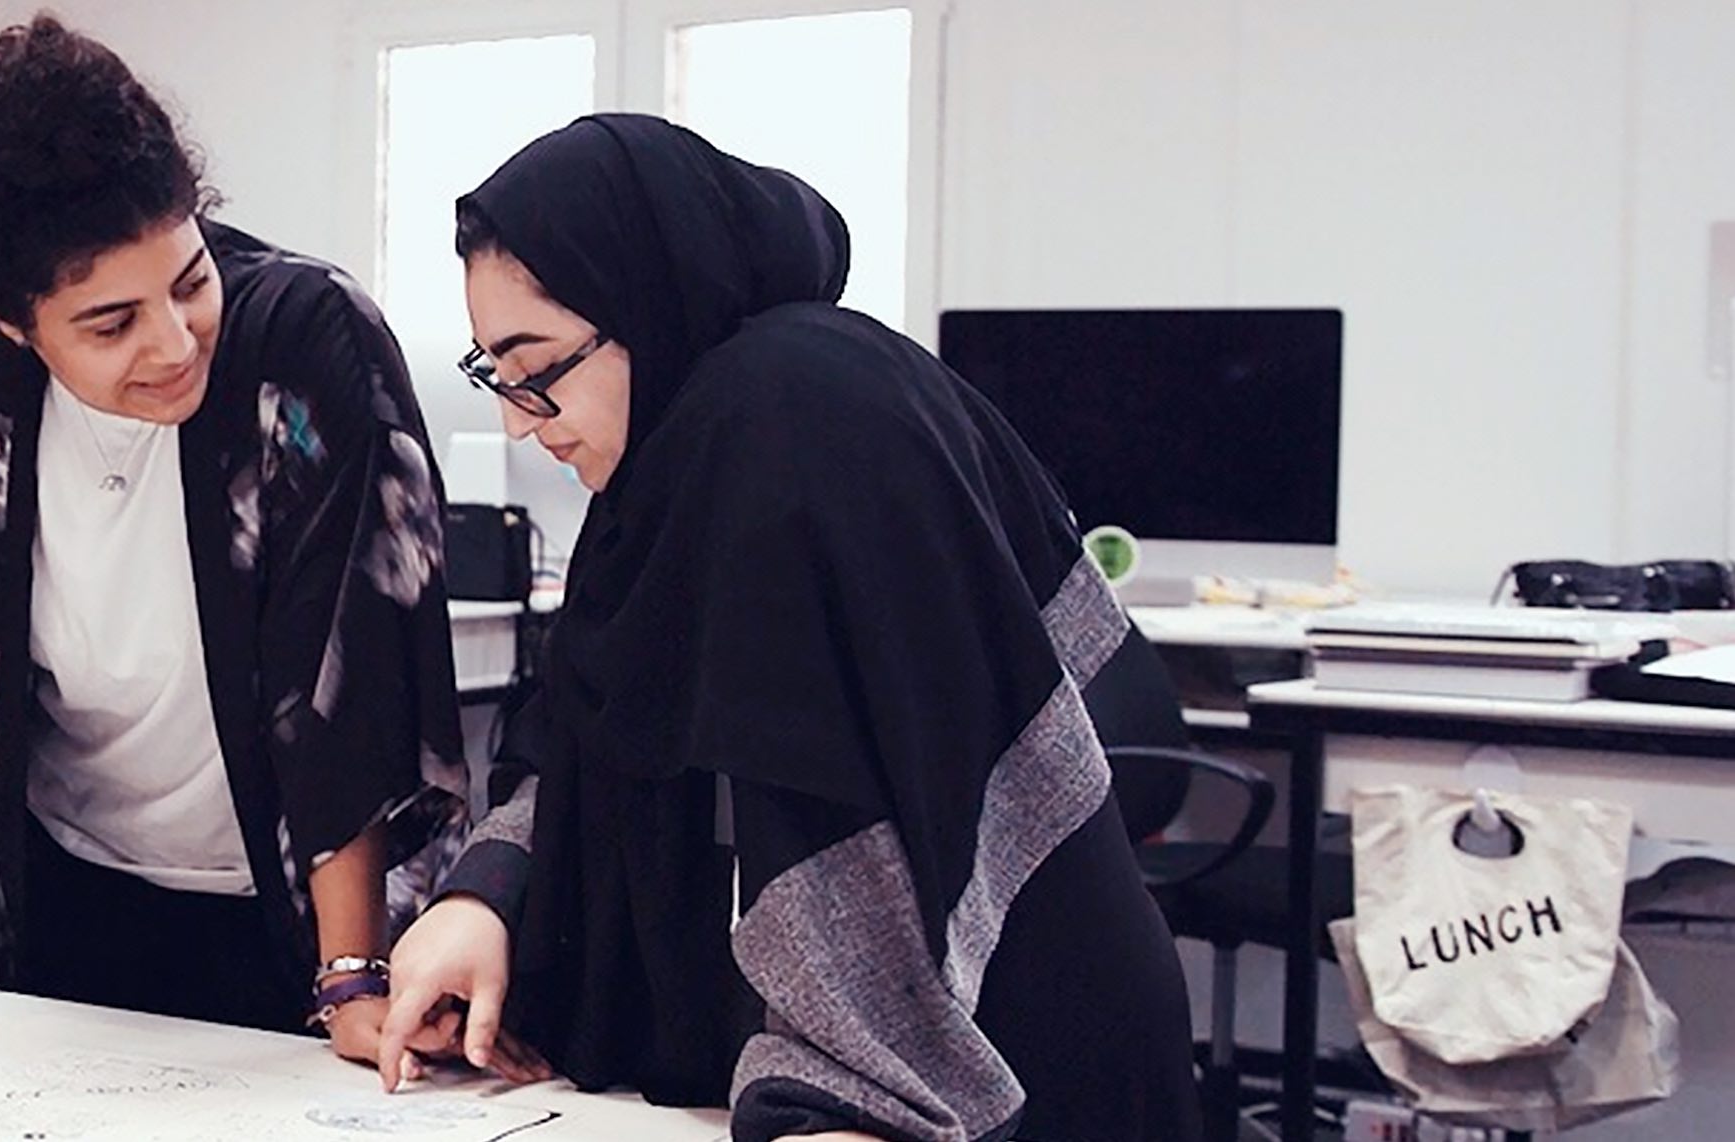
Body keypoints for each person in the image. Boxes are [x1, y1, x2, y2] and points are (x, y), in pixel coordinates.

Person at [377, 115, 1202, 1142]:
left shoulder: (789, 418)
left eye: (534, 365)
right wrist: (482, 897)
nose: (515, 417)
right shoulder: (665, 476)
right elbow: (598, 729)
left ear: (645, 300)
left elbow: (839, 803)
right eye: (492, 370)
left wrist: (845, 1092)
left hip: (1010, 1049)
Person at [0, 16, 467, 1065]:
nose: (170, 342)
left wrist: (352, 974)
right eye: (110, 323)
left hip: (299, 911)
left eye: (190, 280)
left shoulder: (304, 339)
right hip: (73, 888)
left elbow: (352, 681)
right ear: (8, 319)